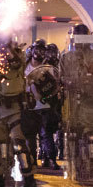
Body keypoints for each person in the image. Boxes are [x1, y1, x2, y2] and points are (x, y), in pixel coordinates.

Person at [60, 24, 93, 184]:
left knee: (92, 136)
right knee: (73, 136)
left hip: (91, 103)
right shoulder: (67, 57)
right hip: (73, 103)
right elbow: (61, 78)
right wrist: (69, 83)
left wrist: (90, 80)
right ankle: (75, 168)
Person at [0, 39, 37, 187]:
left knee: (19, 145)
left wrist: (7, 48)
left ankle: (29, 180)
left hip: (14, 109)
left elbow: (17, 64)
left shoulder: (18, 55)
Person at [24, 39, 61, 170]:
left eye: (42, 51)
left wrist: (46, 95)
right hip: (29, 107)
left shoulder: (48, 68)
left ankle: (51, 160)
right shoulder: (24, 66)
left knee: (46, 135)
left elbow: (55, 87)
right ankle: (32, 161)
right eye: (37, 50)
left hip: (45, 106)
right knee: (30, 136)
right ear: (32, 51)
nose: (38, 53)